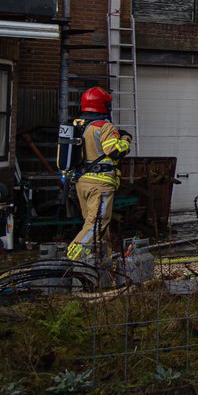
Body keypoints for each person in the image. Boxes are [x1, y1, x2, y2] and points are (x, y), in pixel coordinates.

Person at [66, 87, 132, 264]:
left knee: (98, 226)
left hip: (82, 182)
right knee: (96, 225)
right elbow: (115, 151)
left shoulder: (77, 125)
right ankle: (71, 260)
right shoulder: (104, 127)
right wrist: (126, 139)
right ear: (104, 106)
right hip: (100, 185)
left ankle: (104, 263)